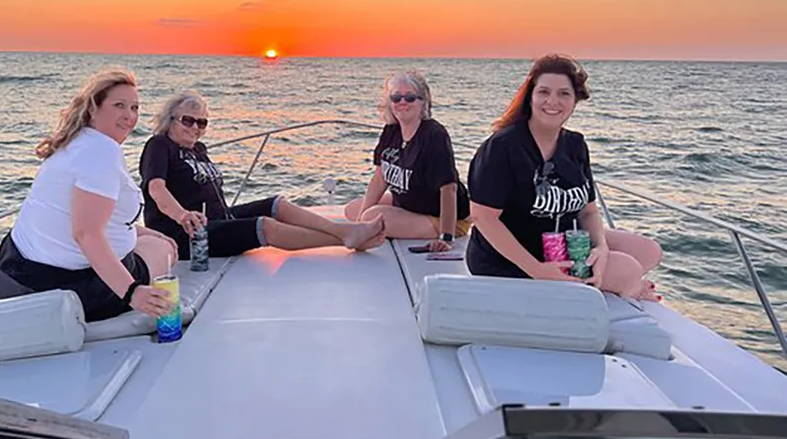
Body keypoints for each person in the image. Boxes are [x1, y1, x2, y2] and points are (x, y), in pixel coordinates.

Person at [465, 54, 663, 300]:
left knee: (649, 251)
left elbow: (588, 211)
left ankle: (614, 284)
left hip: (566, 242)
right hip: (514, 259)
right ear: (531, 96)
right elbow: (483, 218)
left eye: (564, 94)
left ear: (575, 100)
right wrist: (537, 270)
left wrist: (600, 247)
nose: (553, 101)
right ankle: (625, 291)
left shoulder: (575, 144)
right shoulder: (503, 147)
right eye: (544, 92)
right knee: (630, 270)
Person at [0, 68, 177, 321]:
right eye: (119, 105)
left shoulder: (73, 143)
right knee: (164, 248)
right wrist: (133, 293)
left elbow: (81, 218)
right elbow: (85, 233)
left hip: (12, 277)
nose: (129, 116)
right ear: (93, 108)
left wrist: (143, 232)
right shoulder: (102, 151)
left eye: (135, 108)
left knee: (152, 239)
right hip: (62, 290)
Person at [139, 90, 386, 259]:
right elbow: (156, 189)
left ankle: (344, 231)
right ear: (170, 120)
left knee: (275, 204)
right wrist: (182, 215)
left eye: (202, 123)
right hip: (186, 235)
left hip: (218, 220)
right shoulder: (159, 146)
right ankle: (345, 239)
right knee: (264, 226)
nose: (195, 128)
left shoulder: (198, 150)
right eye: (188, 121)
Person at [344, 70, 471, 252]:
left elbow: (449, 189)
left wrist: (447, 237)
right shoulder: (391, 131)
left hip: (441, 217)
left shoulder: (434, 135)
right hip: (410, 205)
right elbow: (380, 178)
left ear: (423, 102)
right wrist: (358, 226)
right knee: (353, 210)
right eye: (396, 97)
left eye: (410, 97)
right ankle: (385, 223)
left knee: (371, 216)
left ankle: (436, 229)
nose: (402, 102)